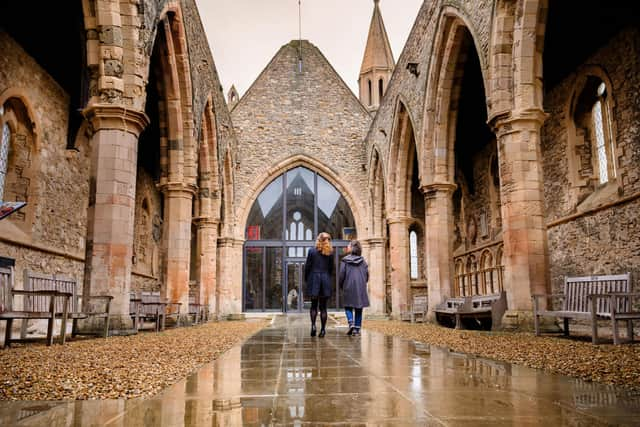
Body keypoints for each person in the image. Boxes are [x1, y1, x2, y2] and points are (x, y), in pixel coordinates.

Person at [304, 232, 334, 338]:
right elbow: (331, 269)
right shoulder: (330, 253)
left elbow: (307, 266)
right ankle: (323, 330)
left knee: (313, 306)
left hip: (314, 280)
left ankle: (313, 326)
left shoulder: (311, 251)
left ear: (318, 240)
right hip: (325, 280)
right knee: (323, 308)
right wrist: (327, 277)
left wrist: (307, 278)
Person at [339, 240, 369, 336]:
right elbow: (367, 275)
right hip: (360, 286)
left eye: (349, 246)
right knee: (358, 308)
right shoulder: (363, 261)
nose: (347, 247)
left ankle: (351, 323)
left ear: (352, 248)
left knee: (348, 306)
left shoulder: (345, 260)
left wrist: (341, 284)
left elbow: (341, 274)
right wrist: (363, 282)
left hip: (348, 285)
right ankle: (357, 329)